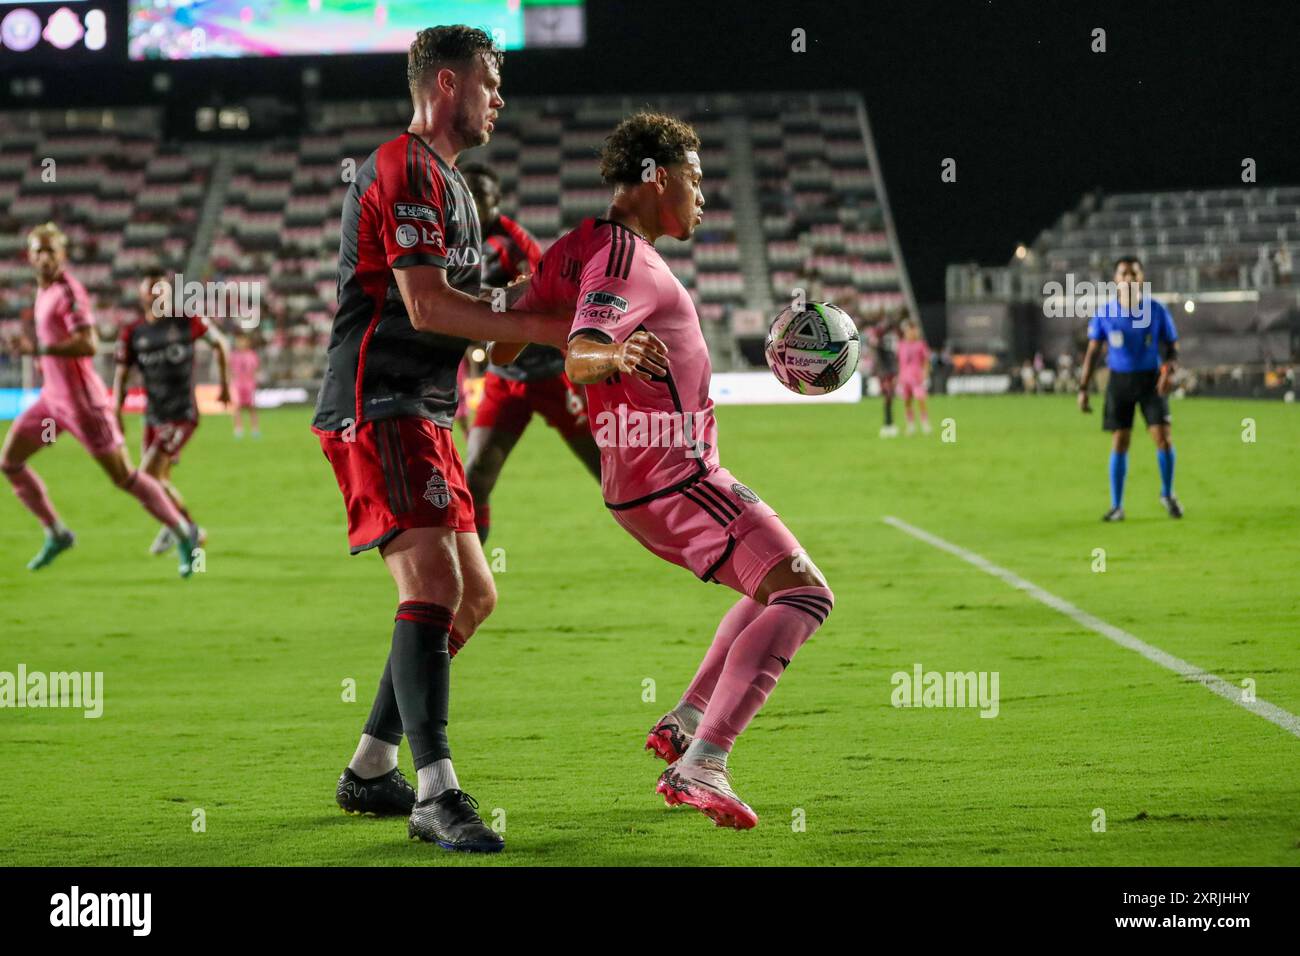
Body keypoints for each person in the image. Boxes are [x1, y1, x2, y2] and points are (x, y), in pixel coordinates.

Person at [505, 112, 835, 830]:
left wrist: (506, 314)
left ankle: (686, 721)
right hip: (678, 477)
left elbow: (504, 345)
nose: (704, 195)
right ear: (656, 177)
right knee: (806, 597)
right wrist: (613, 356)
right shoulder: (627, 261)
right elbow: (583, 350)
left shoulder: (578, 246)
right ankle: (704, 763)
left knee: (769, 586)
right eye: (696, 178)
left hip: (645, 480)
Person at [310, 25, 571, 852]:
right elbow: (426, 308)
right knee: (429, 583)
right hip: (378, 400)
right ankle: (435, 791)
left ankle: (372, 766)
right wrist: (536, 318)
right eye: (493, 82)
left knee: (473, 596)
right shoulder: (406, 166)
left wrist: (556, 304)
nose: (502, 98)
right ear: (449, 84)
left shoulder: (456, 189)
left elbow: (487, 333)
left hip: (426, 409)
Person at [1, 223, 200, 576]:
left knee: (125, 477)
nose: (44, 257)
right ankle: (57, 533)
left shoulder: (68, 292)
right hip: (52, 402)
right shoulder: (43, 289)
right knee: (10, 462)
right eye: (38, 251)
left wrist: (40, 349)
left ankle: (183, 532)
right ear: (29, 257)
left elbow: (89, 343)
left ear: (62, 255)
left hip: (82, 406)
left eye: (51, 251)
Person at [460, 161, 600, 542]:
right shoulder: (451, 241)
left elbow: (542, 300)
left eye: (481, 196)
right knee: (475, 475)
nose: (472, 203)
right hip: (503, 377)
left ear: (496, 201)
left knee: (607, 473)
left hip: (551, 372)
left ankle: (674, 533)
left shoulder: (513, 244)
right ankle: (469, 578)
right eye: (466, 194)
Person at [113, 273, 231, 555]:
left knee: (144, 478)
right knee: (156, 483)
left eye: (161, 289)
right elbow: (121, 374)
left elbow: (220, 344)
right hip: (153, 416)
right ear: (142, 295)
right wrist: (115, 411)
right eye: (150, 289)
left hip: (182, 414)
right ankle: (172, 525)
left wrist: (225, 386)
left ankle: (188, 530)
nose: (156, 294)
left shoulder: (187, 321)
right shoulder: (133, 333)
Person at [1078, 256, 1182, 521]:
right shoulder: (1104, 313)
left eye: (1133, 274)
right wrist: (1083, 388)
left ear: (1142, 279)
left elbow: (1172, 348)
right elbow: (1092, 354)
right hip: (1119, 382)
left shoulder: (1156, 311)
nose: (1128, 279)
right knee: (1120, 442)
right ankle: (1117, 506)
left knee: (1163, 438)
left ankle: (1167, 494)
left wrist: (1168, 371)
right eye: (1123, 274)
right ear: (1116, 280)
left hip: (1150, 381)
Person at [895, 319, 931, 435]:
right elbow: (900, 362)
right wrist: (899, 376)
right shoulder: (901, 345)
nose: (910, 333)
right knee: (907, 402)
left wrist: (925, 373)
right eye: (908, 331)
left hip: (916, 376)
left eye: (912, 331)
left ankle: (925, 423)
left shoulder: (920, 345)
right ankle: (910, 425)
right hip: (905, 378)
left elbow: (926, 360)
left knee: (921, 400)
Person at [228, 332, 260, 438]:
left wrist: (254, 381)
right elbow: (230, 369)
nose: (241, 343)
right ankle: (238, 429)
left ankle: (255, 429)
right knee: (237, 407)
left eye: (243, 341)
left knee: (252, 407)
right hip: (237, 384)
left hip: (249, 384)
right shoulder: (233, 355)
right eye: (239, 341)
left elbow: (255, 370)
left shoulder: (252, 355)